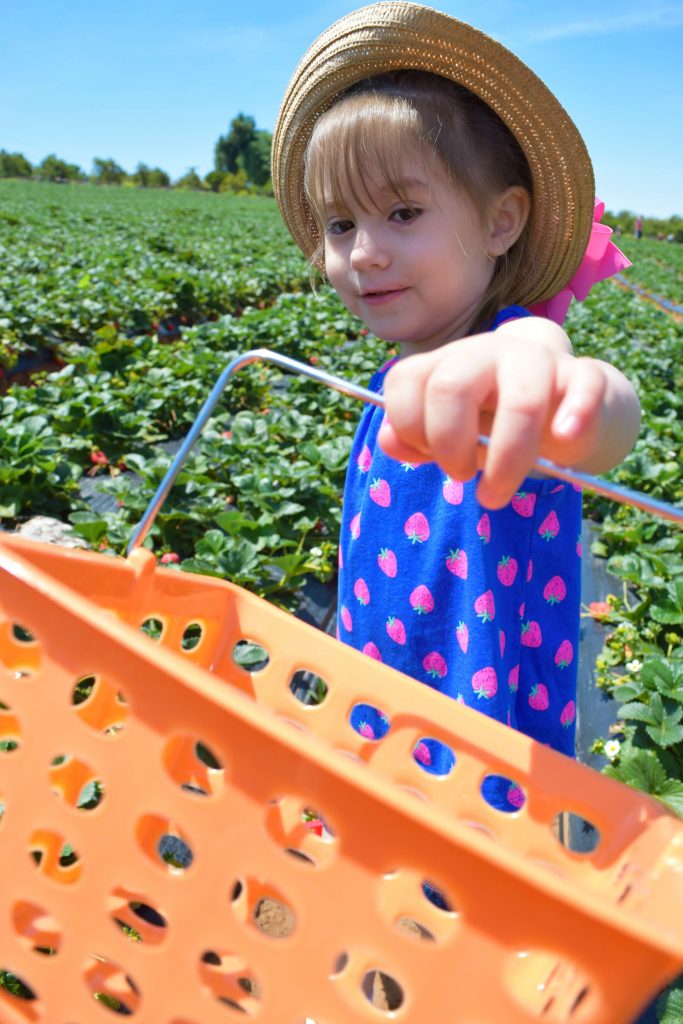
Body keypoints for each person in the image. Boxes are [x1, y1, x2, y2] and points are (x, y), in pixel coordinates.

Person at [271, 2, 641, 810]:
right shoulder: (393, 373)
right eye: (340, 224)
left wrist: (575, 398)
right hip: (376, 688)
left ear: (501, 220)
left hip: (477, 743)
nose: (362, 251)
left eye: (402, 213)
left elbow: (595, 418)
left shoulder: (507, 362)